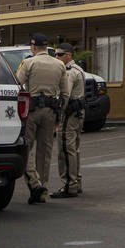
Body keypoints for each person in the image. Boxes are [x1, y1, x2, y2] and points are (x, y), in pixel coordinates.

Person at [15, 33, 70, 204]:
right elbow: (66, 93)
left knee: (26, 147)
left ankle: (34, 182)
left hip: (32, 111)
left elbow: (17, 83)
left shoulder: (29, 62)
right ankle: (42, 191)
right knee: (44, 152)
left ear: (33, 46)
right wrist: (59, 113)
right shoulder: (59, 65)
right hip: (51, 111)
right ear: (46, 47)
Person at [51, 43, 85, 198]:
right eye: (55, 54)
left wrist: (58, 114)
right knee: (74, 148)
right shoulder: (79, 69)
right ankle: (76, 182)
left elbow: (65, 94)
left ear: (68, 55)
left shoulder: (69, 72)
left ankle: (69, 185)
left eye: (59, 54)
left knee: (65, 149)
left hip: (69, 114)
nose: (56, 57)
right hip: (78, 113)